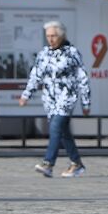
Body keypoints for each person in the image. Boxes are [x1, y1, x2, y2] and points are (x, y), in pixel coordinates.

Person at [18, 20, 91, 178]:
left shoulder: (72, 53)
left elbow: (82, 77)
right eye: (48, 36)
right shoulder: (43, 53)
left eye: (54, 36)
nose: (50, 39)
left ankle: (48, 163)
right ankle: (76, 163)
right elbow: (35, 75)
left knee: (56, 126)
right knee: (62, 131)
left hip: (67, 96)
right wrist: (26, 94)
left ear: (62, 35)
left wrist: (86, 102)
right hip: (50, 98)